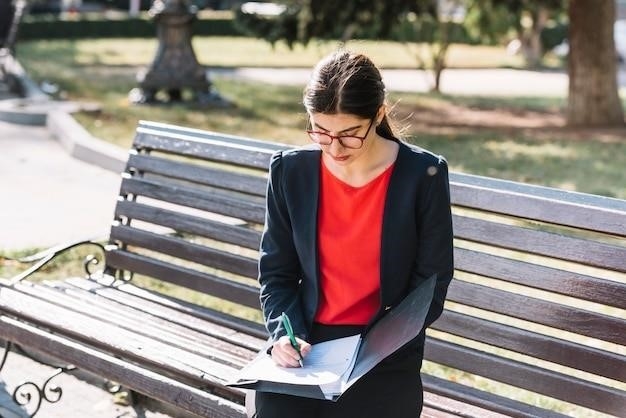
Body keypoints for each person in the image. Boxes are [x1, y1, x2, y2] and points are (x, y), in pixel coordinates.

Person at [253, 50, 454, 418]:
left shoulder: (421, 175)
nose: (333, 147)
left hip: (382, 350)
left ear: (378, 114)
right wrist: (286, 334)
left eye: (348, 134)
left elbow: (432, 282)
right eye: (320, 131)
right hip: (307, 346)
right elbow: (277, 272)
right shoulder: (290, 172)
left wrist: (382, 345)